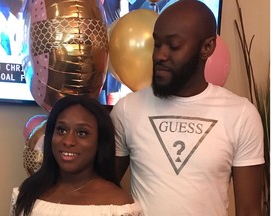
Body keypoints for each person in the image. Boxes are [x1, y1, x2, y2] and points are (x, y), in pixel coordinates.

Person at [110, 0, 265, 215]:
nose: (159, 55)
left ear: (207, 47)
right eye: (157, 44)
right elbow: (101, 189)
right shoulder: (127, 109)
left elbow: (249, 210)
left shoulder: (242, 115)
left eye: (173, 46)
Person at [10, 95, 143, 216]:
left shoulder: (118, 206)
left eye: (82, 133)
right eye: (61, 130)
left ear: (100, 141)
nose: (68, 141)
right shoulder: (27, 192)